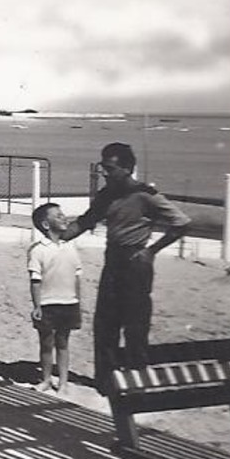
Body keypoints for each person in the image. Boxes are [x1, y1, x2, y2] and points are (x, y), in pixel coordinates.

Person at [61, 142, 191, 389]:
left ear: (127, 168)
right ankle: (105, 381)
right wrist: (58, 236)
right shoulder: (105, 196)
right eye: (103, 167)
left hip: (136, 264)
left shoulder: (145, 196)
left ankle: (136, 380)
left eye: (110, 168)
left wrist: (151, 251)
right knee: (105, 323)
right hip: (112, 262)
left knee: (135, 325)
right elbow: (85, 221)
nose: (105, 173)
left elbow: (182, 223)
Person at [27, 202, 82, 392]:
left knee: (63, 343)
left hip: (69, 303)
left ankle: (64, 382)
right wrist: (37, 306)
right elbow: (35, 280)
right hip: (47, 304)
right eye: (58, 216)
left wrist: (77, 301)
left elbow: (76, 277)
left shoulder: (71, 247)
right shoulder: (38, 250)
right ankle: (46, 379)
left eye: (63, 214)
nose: (64, 217)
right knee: (46, 343)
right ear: (46, 225)